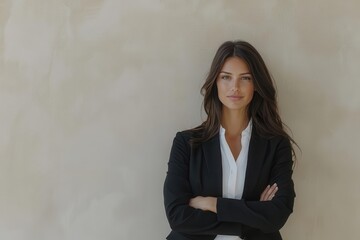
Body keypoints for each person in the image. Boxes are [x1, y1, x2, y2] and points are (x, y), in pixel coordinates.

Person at [163, 40, 297, 240]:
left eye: (245, 78)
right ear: (215, 82)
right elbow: (177, 216)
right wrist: (254, 215)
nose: (235, 87)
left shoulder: (276, 145)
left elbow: (277, 215)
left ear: (256, 85)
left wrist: (212, 204)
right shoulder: (186, 143)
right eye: (226, 77)